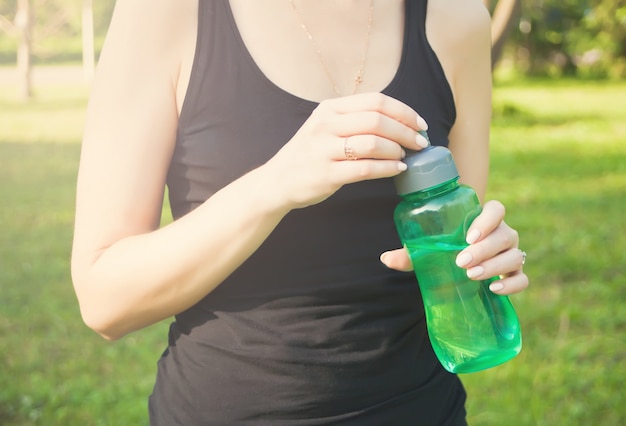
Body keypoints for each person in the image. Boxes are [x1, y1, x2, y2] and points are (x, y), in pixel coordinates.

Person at [71, 0, 529, 424]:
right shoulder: (166, 12)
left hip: (423, 408)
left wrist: (483, 253)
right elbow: (104, 299)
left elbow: (452, 230)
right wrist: (275, 184)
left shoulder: (456, 18)